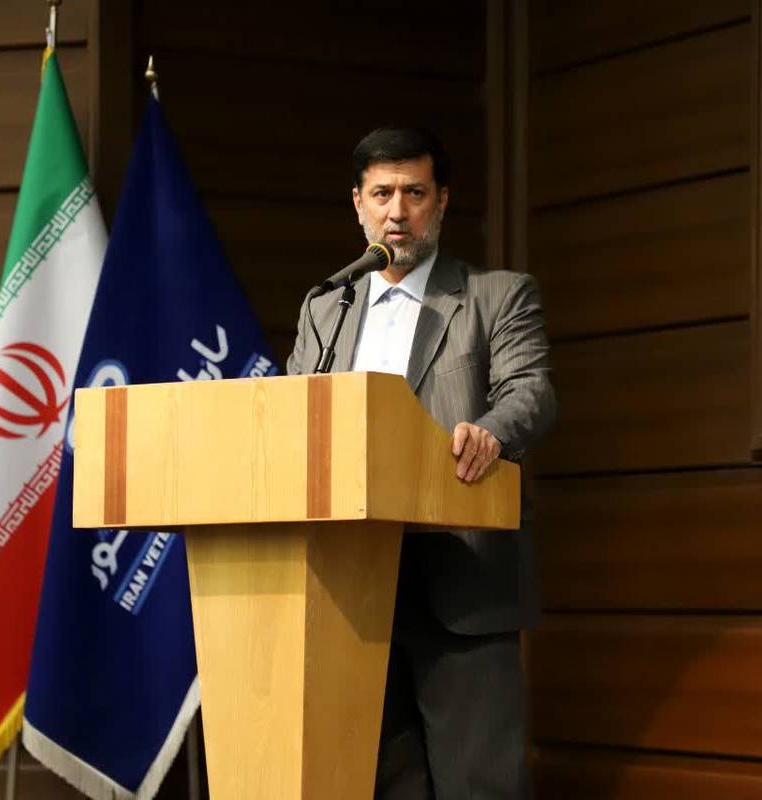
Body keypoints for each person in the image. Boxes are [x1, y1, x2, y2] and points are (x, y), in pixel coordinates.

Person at [285, 126, 557, 798]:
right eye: (382, 194)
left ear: (442, 202)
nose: (397, 212)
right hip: (351, 582)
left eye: (414, 193)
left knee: (479, 785)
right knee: (382, 783)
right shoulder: (325, 306)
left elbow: (531, 393)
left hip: (460, 575)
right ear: (358, 203)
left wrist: (490, 433)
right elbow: (296, 415)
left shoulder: (497, 294)